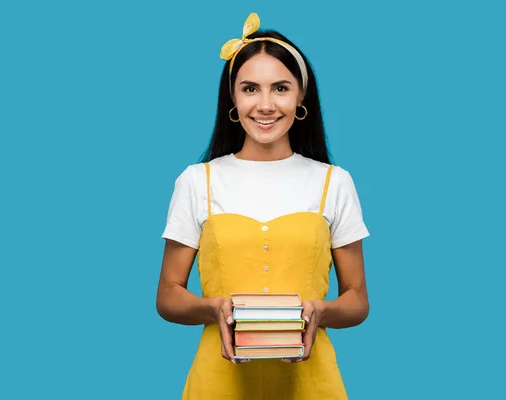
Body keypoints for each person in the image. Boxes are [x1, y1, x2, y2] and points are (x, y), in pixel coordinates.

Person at [156, 13, 370, 399]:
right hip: (217, 383)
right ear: (233, 99)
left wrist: (320, 312)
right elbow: (168, 295)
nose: (266, 105)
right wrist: (213, 308)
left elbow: (357, 299)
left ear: (300, 97)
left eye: (281, 88)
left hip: (311, 384)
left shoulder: (334, 182)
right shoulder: (197, 181)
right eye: (250, 88)